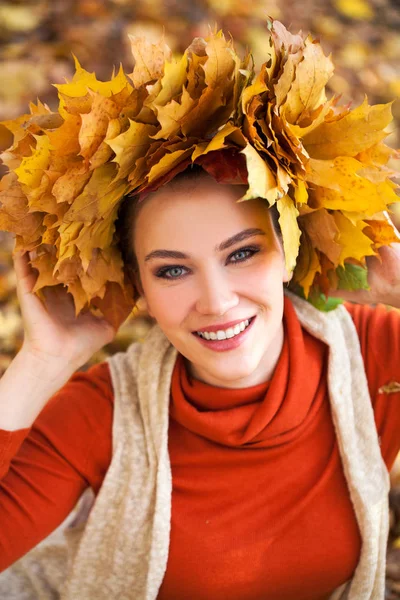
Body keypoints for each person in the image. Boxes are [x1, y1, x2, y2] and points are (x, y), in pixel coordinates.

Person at [0, 18, 399, 600]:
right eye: (173, 270)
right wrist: (42, 361)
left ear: (288, 249)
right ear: (138, 285)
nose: (216, 301)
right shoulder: (100, 413)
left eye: (241, 253)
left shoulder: (372, 360)